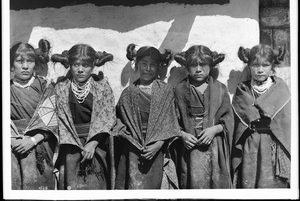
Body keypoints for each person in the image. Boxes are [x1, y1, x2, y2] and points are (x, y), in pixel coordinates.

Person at [112, 44, 181, 189]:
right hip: (132, 149)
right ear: (136, 65)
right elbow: (119, 121)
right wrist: (129, 137)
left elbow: (171, 120)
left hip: (158, 149)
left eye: (152, 65)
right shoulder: (128, 93)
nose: (148, 69)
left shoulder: (166, 91)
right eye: (144, 64)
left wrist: (159, 143)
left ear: (158, 68)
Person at [51, 44, 116, 190]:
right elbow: (57, 120)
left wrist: (92, 143)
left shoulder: (102, 87)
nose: (80, 69)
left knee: (96, 186)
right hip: (70, 147)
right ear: (70, 65)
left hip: (96, 146)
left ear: (93, 65)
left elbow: (108, 117)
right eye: (76, 65)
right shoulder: (61, 88)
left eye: (85, 65)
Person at [174, 45, 234, 189]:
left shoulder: (220, 89)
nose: (199, 69)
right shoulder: (179, 90)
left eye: (203, 64)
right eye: (194, 65)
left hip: (215, 147)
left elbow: (228, 118)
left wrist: (214, 130)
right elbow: (171, 119)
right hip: (190, 147)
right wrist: (182, 135)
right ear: (187, 67)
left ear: (211, 66)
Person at [231, 44, 291, 188]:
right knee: (249, 179)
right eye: (255, 65)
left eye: (265, 65)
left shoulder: (280, 87)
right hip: (250, 142)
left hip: (273, 143)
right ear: (249, 66)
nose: (260, 69)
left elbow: (285, 121)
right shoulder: (243, 88)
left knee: (271, 183)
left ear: (272, 66)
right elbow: (242, 113)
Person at [10, 39, 58, 190]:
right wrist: (12, 140)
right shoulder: (7, 88)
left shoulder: (45, 87)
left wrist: (33, 140)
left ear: (35, 63)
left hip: (40, 144)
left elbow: (53, 120)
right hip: (12, 146)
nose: (25, 66)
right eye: (19, 61)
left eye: (30, 61)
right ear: (12, 65)